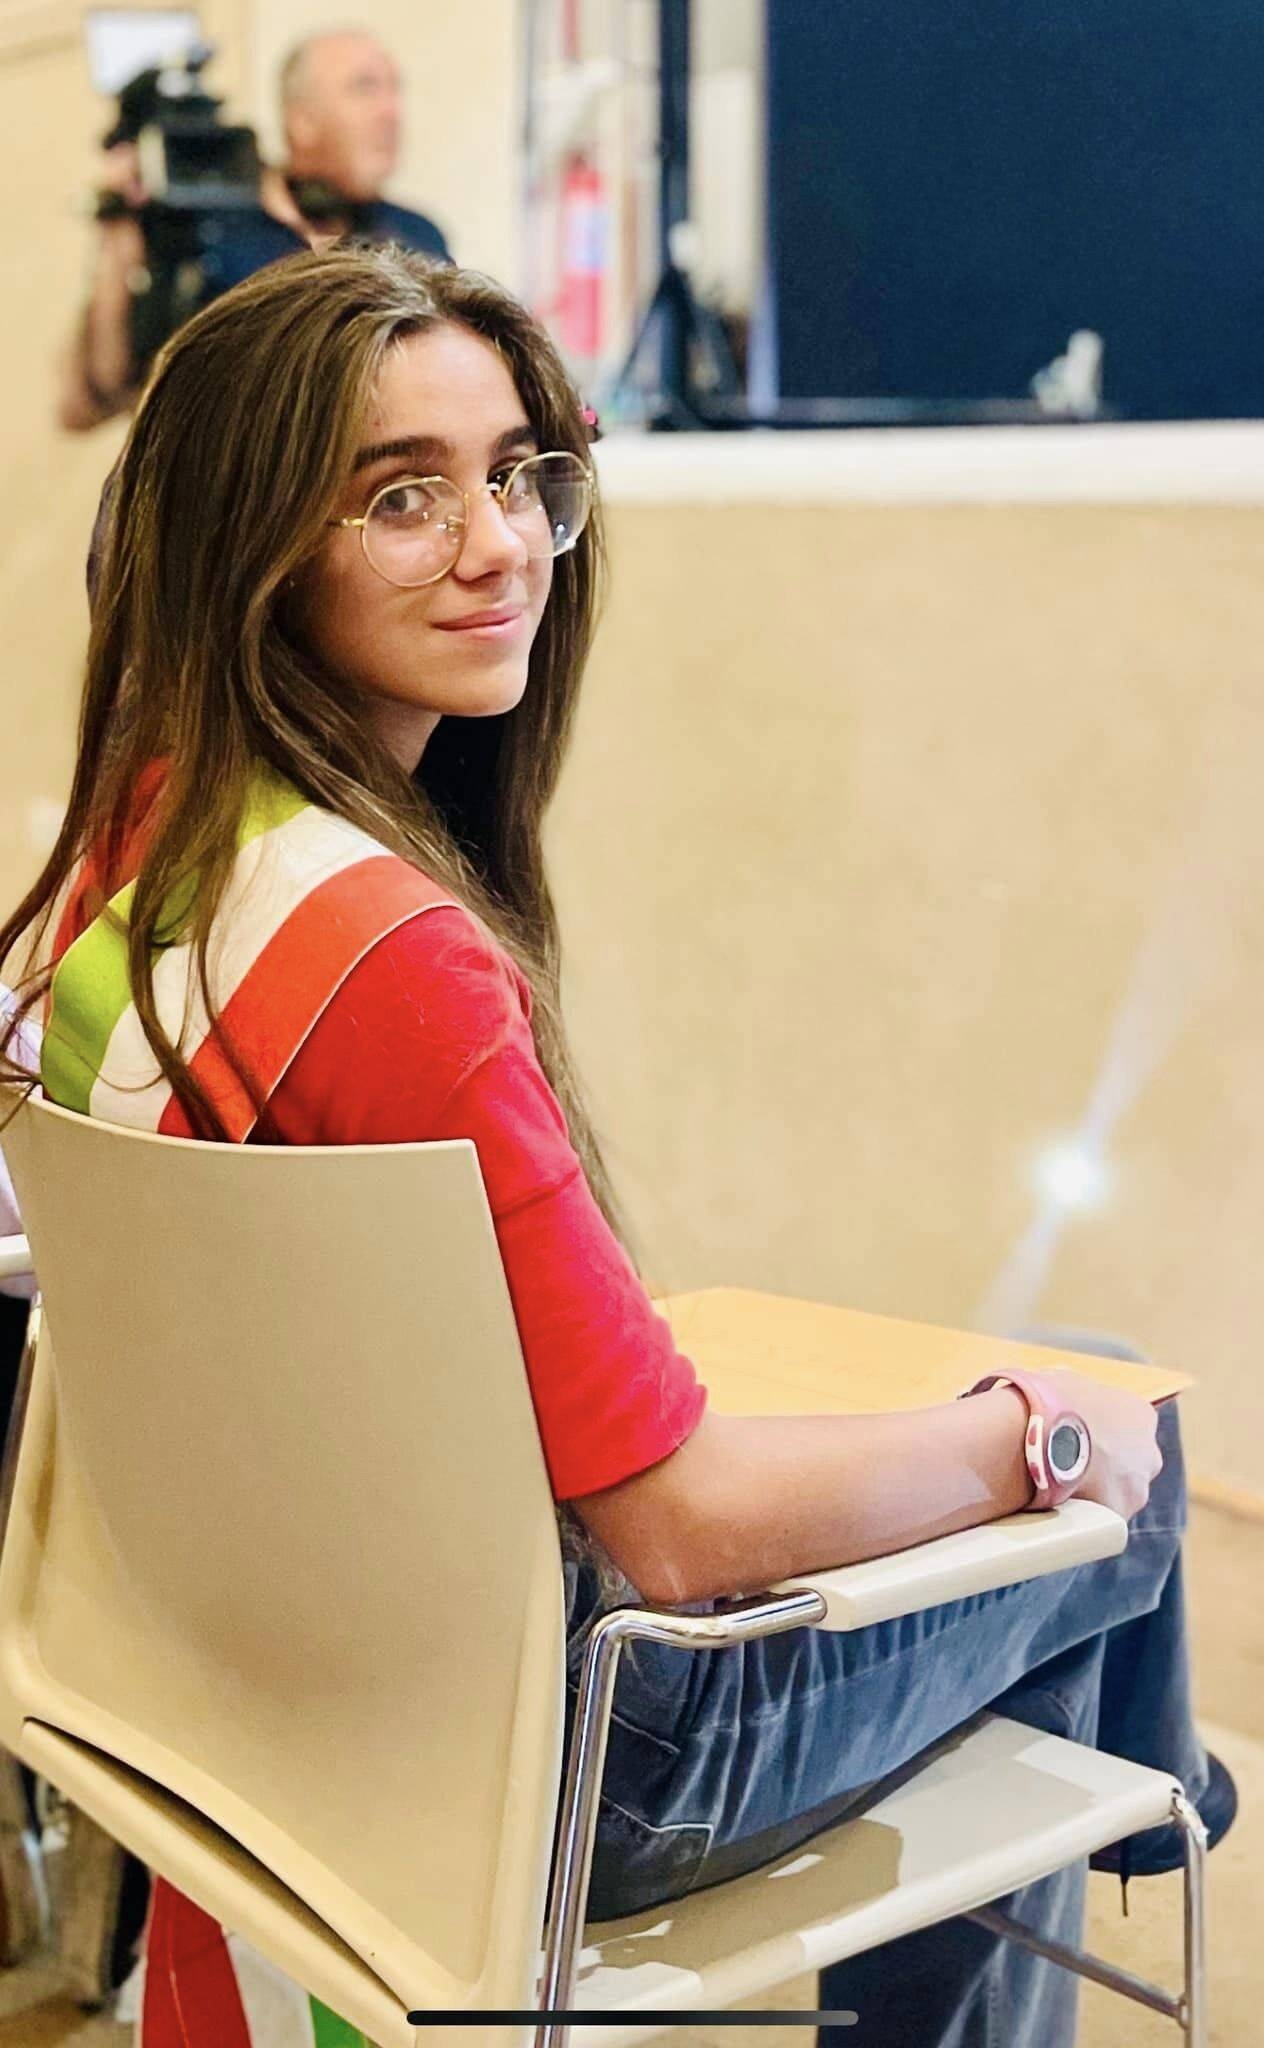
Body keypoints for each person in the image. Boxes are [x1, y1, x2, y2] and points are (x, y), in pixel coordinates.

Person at [1, 244, 1234, 2047]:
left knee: (1045, 1458)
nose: (498, 545)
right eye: (401, 498)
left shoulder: (142, 861)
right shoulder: (394, 960)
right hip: (576, 1742)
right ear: (245, 547)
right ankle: (1167, 1795)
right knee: (1114, 1437)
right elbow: (678, 1527)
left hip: (278, 1700)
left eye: (516, 476)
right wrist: (1032, 1435)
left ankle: (1134, 1764)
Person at [57, 30, 450, 432]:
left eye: (394, 88)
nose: (391, 111)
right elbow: (86, 404)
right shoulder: (210, 234)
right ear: (301, 121)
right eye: (364, 88)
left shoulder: (418, 238)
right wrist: (118, 237)